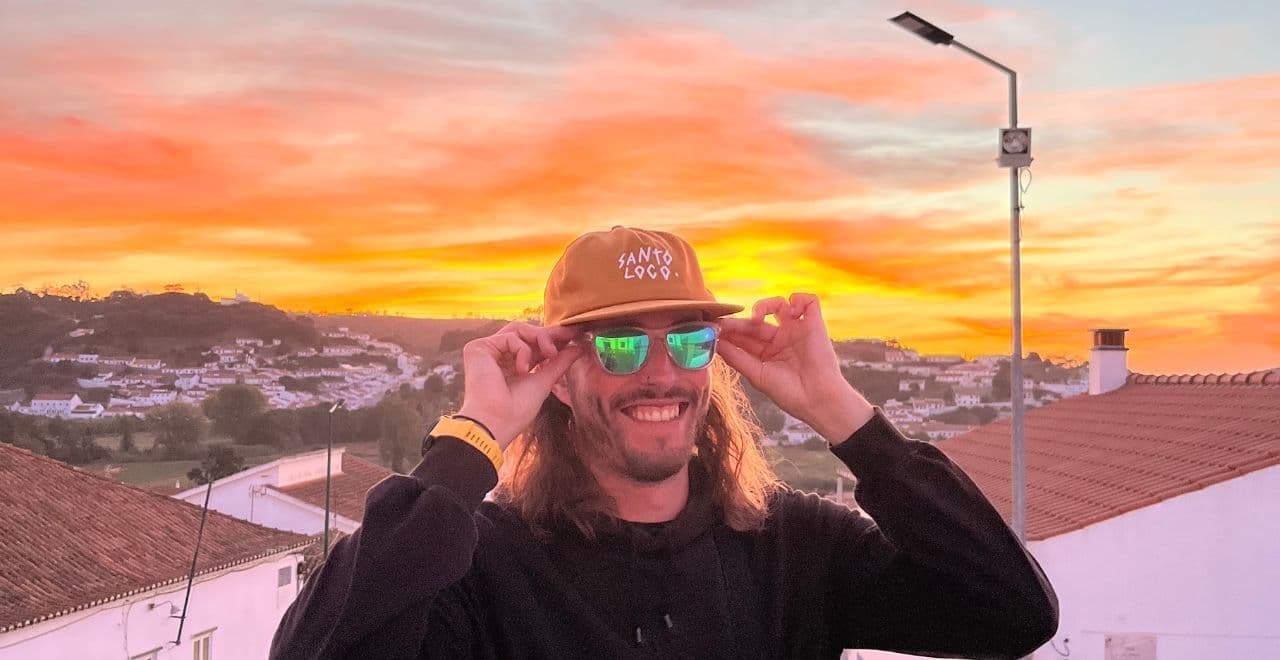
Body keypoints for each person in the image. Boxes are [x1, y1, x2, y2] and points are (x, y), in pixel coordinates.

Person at [271, 226, 1058, 660]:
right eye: (617, 346)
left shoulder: (796, 546)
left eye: (687, 341)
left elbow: (1011, 614)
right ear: (562, 375)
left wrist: (841, 410)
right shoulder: (482, 564)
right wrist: (471, 442)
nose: (659, 373)